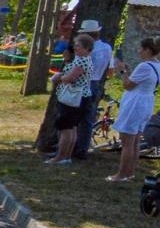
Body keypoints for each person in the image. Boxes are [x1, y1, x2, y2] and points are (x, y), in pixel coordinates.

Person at [108, 35, 160, 182]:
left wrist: (123, 71)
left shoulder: (144, 66)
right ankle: (130, 172)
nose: (139, 51)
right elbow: (136, 81)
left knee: (127, 141)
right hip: (147, 102)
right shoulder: (157, 65)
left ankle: (121, 174)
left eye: (141, 49)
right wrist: (129, 73)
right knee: (135, 140)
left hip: (136, 103)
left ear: (148, 50)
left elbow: (128, 85)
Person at [46, 34, 95, 165]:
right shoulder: (84, 59)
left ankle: (60, 156)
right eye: (75, 45)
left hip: (75, 97)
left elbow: (71, 78)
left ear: (86, 48)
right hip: (81, 97)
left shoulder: (81, 60)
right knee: (71, 127)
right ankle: (66, 156)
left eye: (78, 46)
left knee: (66, 127)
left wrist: (58, 78)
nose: (75, 48)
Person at [73, 19, 114, 160]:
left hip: (84, 82)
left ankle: (70, 147)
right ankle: (82, 148)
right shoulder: (107, 48)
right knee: (88, 119)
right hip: (96, 81)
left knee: (73, 116)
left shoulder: (88, 50)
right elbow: (110, 70)